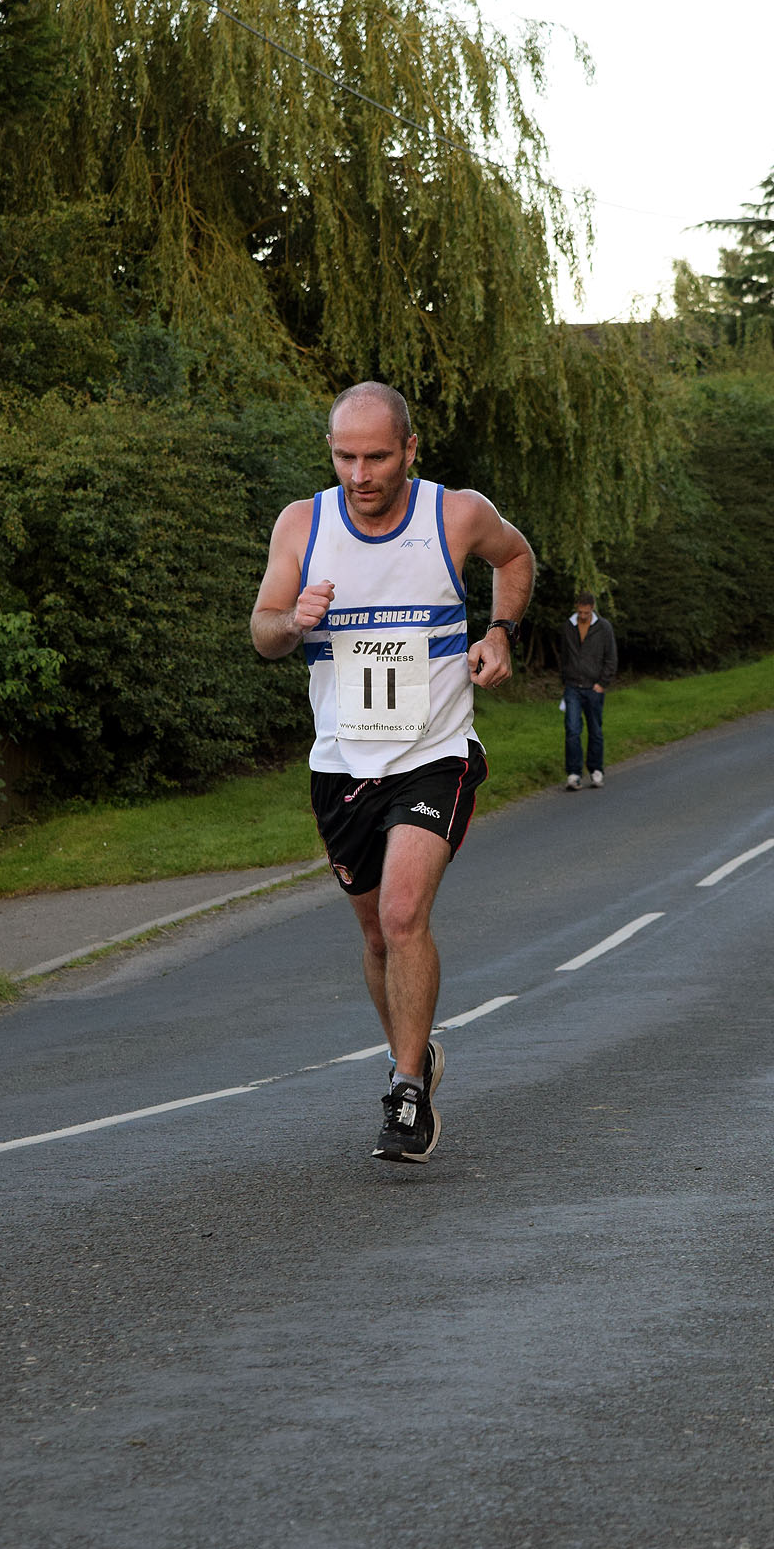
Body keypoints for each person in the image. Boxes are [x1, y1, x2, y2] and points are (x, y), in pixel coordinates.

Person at [251, 381, 534, 1164]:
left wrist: (500, 632)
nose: (360, 473)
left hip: (433, 754)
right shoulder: (303, 524)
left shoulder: (455, 514)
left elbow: (515, 556)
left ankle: (407, 1092)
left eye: (377, 456)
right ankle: (412, 1050)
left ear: (410, 449)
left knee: (404, 915)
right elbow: (263, 629)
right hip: (341, 763)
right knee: (376, 934)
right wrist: (292, 621)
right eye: (346, 456)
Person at [560, 591, 617, 790]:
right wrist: (565, 680)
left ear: (592, 608)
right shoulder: (568, 626)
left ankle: (596, 770)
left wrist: (602, 683)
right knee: (572, 730)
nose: (583, 616)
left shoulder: (604, 627)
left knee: (595, 731)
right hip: (573, 687)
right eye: (580, 612)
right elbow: (564, 655)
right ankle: (574, 773)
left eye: (586, 612)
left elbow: (611, 657)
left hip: (594, 687)